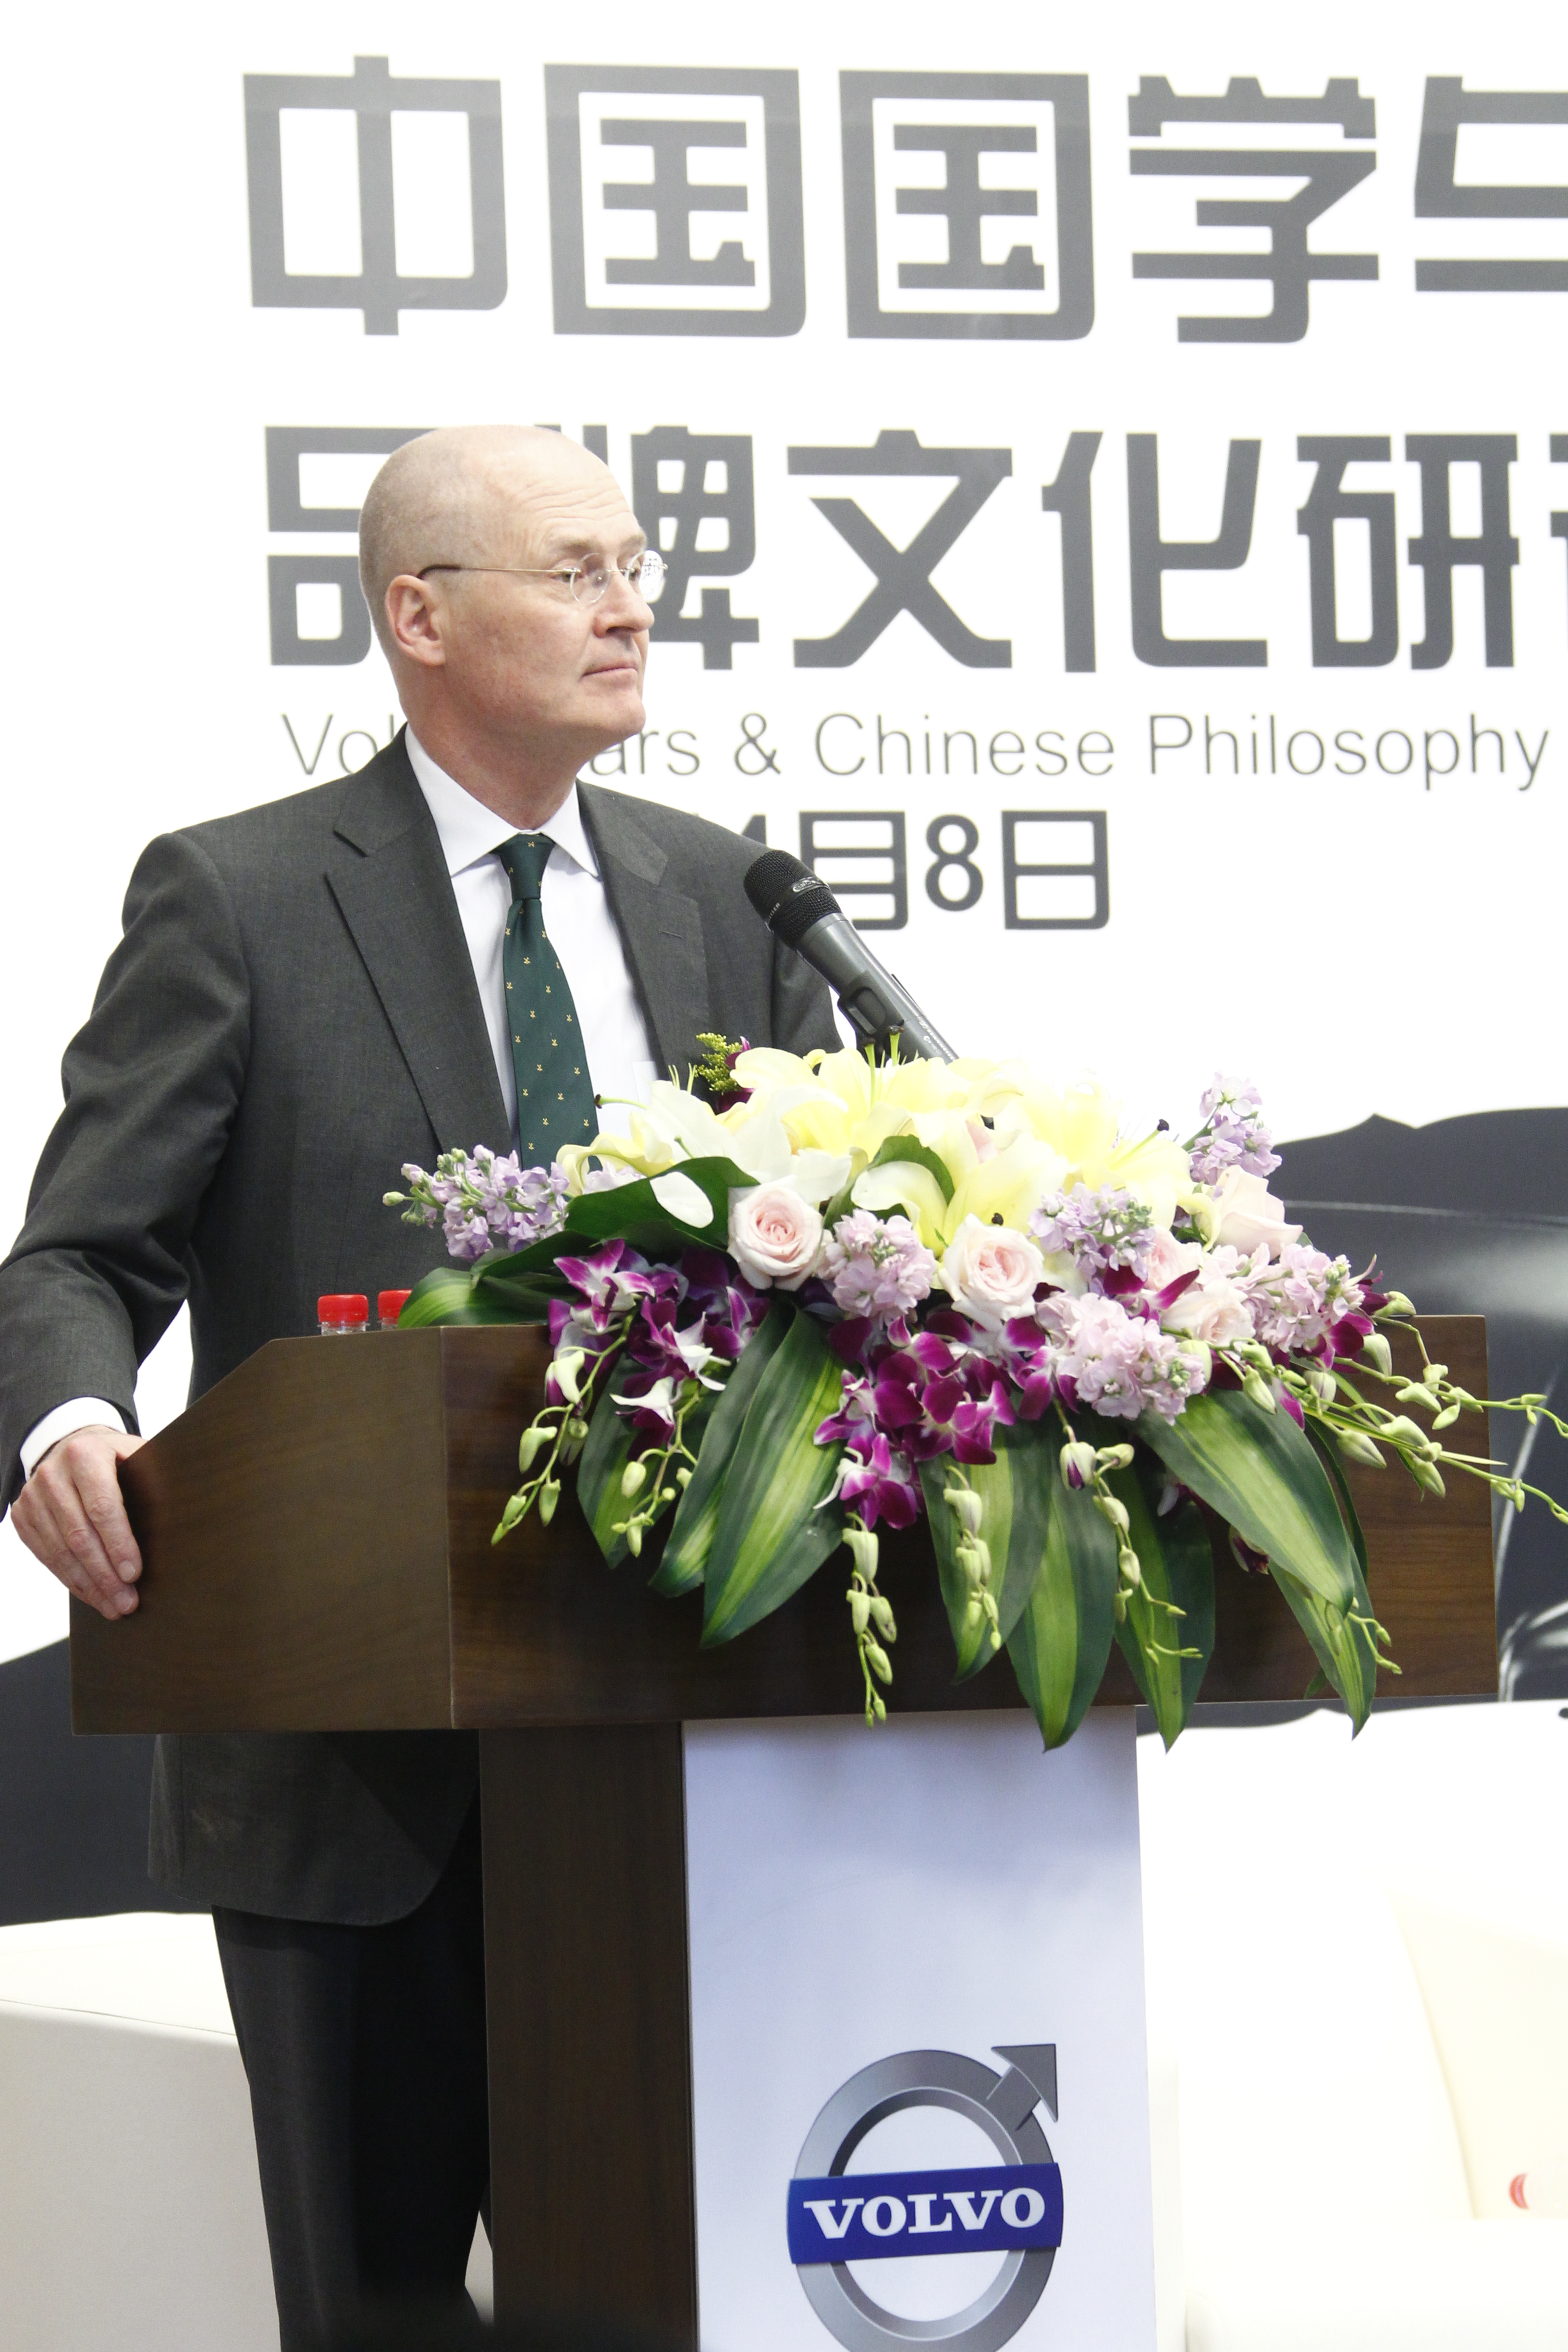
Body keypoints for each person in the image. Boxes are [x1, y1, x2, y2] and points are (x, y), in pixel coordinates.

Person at [0, 425, 835, 2348]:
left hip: (684, 1752)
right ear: (421, 615)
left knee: (688, 2301)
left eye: (637, 566)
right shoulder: (241, 898)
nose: (631, 606)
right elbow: (79, 1254)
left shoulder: (731, 898)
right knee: (380, 2315)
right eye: (574, 571)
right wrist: (69, 1425)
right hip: (355, 1760)